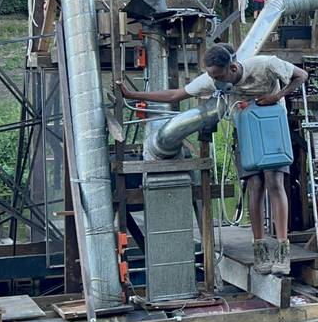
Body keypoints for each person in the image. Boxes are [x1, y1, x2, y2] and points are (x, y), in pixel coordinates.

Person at [120, 44, 308, 275]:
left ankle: (282, 250)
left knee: (274, 182)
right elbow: (176, 94)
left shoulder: (265, 64)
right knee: (255, 185)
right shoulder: (213, 79)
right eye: (212, 76)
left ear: (232, 67)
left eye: (219, 76)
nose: (216, 81)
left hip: (271, 128)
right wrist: (133, 94)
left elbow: (301, 76)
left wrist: (276, 96)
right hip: (246, 129)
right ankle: (260, 251)